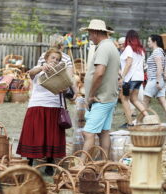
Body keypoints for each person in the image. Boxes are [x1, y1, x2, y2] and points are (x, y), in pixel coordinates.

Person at [16, 48, 67, 176]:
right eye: (53, 58)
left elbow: (66, 90)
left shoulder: (60, 72)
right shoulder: (38, 69)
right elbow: (30, 73)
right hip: (37, 104)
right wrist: (42, 68)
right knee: (34, 134)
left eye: (57, 59)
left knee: (51, 135)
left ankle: (50, 163)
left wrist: (63, 88)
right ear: (46, 58)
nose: (55, 61)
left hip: (54, 105)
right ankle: (29, 161)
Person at [79, 19, 120, 161]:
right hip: (109, 97)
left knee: (88, 133)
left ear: (96, 33)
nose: (89, 37)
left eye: (90, 34)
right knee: (103, 132)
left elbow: (100, 72)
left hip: (101, 98)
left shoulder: (103, 47)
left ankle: (80, 166)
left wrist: (90, 95)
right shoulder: (111, 46)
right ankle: (104, 163)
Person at [143, 34, 166, 128]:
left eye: (149, 41)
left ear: (154, 41)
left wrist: (157, 82)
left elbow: (159, 67)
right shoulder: (161, 51)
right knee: (163, 101)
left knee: (145, 101)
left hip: (154, 80)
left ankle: (140, 120)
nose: (148, 43)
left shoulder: (157, 51)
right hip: (159, 80)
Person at [119, 30, 148, 128]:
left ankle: (130, 123)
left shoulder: (128, 48)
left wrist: (122, 77)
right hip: (139, 78)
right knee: (134, 99)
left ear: (128, 38)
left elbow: (129, 62)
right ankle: (148, 118)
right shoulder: (141, 50)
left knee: (124, 99)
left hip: (130, 78)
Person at [37, 34, 77, 98]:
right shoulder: (66, 58)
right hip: (60, 89)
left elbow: (38, 72)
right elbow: (70, 76)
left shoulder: (43, 55)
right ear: (61, 46)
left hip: (44, 88)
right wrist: (75, 92)